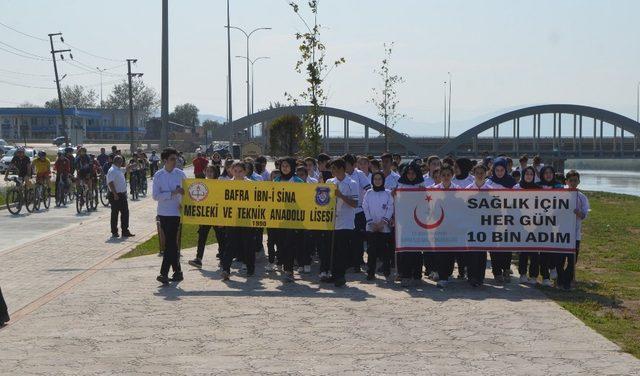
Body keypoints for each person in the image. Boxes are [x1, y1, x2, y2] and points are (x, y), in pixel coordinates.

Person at [152, 147, 186, 285]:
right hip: (163, 213)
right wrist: (172, 193)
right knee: (171, 244)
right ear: (164, 160)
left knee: (170, 243)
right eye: (172, 159)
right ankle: (178, 272)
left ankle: (163, 273)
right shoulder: (158, 175)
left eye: (176, 159)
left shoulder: (181, 174)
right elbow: (155, 196)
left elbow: (186, 193)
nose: (175, 161)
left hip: (175, 213)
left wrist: (181, 199)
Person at [325, 158, 359, 287]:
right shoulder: (329, 182)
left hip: (346, 222)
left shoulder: (352, 183)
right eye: (332, 168)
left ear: (342, 169)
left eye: (335, 168)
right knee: (332, 249)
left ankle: (341, 276)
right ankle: (333, 274)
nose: (332, 171)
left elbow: (355, 204)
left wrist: (341, 196)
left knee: (342, 250)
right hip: (332, 220)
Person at [220, 161, 256, 280]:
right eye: (235, 171)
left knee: (248, 244)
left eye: (240, 171)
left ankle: (250, 268)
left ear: (245, 172)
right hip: (232, 218)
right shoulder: (227, 184)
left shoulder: (251, 184)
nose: (238, 173)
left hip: (247, 218)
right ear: (231, 171)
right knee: (230, 244)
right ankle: (226, 269)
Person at [556, 170, 589, 290]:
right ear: (566, 181)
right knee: (559, 260)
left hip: (575, 234)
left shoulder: (582, 197)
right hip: (561, 232)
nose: (573, 183)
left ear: (579, 181)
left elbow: (585, 214)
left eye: (575, 180)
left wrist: (579, 213)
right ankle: (560, 280)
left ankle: (567, 281)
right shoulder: (560, 194)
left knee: (572, 260)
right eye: (571, 180)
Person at [273, 158, 305, 282]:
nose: (285, 168)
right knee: (280, 244)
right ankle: (283, 264)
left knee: (289, 244)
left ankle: (289, 271)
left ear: (292, 167)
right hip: (279, 217)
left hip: (293, 218)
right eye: (283, 166)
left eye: (287, 166)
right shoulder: (276, 180)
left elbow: (303, 199)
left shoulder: (298, 181)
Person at [485, 157, 516, 283]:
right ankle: (497, 271)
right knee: (494, 246)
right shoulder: (489, 183)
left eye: (501, 170)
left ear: (505, 169)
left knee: (506, 245)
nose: (499, 172)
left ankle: (506, 269)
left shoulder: (512, 182)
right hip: (492, 219)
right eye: (497, 170)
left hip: (508, 218)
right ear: (493, 170)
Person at [430, 164, 460, 288]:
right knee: (441, 252)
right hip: (439, 225)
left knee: (451, 253)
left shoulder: (459, 189)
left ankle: (448, 275)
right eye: (443, 175)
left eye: (448, 175)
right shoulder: (433, 190)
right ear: (440, 176)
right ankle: (442, 276)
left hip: (453, 225)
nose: (446, 177)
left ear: (452, 175)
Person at [465, 164, 493, 287]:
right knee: (471, 253)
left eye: (482, 172)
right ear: (474, 174)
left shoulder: (491, 190)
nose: (480, 175)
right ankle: (471, 276)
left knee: (482, 253)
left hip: (485, 225)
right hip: (471, 225)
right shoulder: (467, 189)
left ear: (486, 173)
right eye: (477, 173)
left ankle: (480, 278)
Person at [362, 171, 394, 281]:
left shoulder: (388, 193)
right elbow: (365, 207)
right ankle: (370, 272)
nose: (377, 181)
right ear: (372, 180)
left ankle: (387, 272)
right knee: (371, 251)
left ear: (383, 180)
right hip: (371, 227)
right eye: (375, 179)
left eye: (379, 179)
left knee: (385, 251)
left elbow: (390, 208)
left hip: (384, 227)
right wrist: (371, 222)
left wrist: (382, 223)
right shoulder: (369, 193)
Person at [188, 165, 221, 269]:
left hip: (217, 216)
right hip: (205, 216)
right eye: (207, 171)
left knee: (221, 238)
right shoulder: (201, 184)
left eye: (211, 171)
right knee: (202, 237)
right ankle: (198, 259)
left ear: (215, 173)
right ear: (204, 172)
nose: (209, 173)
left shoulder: (220, 184)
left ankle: (224, 259)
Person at [344, 154, 371, 273]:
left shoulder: (359, 174)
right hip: (345, 211)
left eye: (347, 165)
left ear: (354, 165)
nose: (345, 167)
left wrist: (365, 203)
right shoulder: (342, 175)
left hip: (359, 211)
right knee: (347, 237)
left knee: (357, 239)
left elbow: (369, 189)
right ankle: (348, 261)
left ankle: (357, 262)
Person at [514, 166, 541, 285]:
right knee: (523, 251)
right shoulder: (516, 188)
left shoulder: (539, 189)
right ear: (523, 175)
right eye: (527, 174)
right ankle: (523, 274)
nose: (529, 176)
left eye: (531, 174)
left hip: (535, 224)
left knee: (535, 252)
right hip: (521, 224)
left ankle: (534, 275)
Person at [538, 165, 564, 287]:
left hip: (555, 222)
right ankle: (545, 277)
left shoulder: (559, 186)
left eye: (550, 173)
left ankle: (553, 267)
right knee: (542, 251)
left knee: (554, 249)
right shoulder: (537, 186)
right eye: (546, 173)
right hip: (541, 223)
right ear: (542, 174)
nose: (548, 175)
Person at [107, 155, 134, 238]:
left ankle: (125, 231)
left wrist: (132, 165)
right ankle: (114, 232)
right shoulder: (112, 170)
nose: (122, 162)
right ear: (117, 162)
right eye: (121, 161)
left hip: (122, 194)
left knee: (125, 213)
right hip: (115, 195)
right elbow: (110, 183)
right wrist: (115, 194)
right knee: (115, 214)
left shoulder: (118, 169)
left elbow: (125, 169)